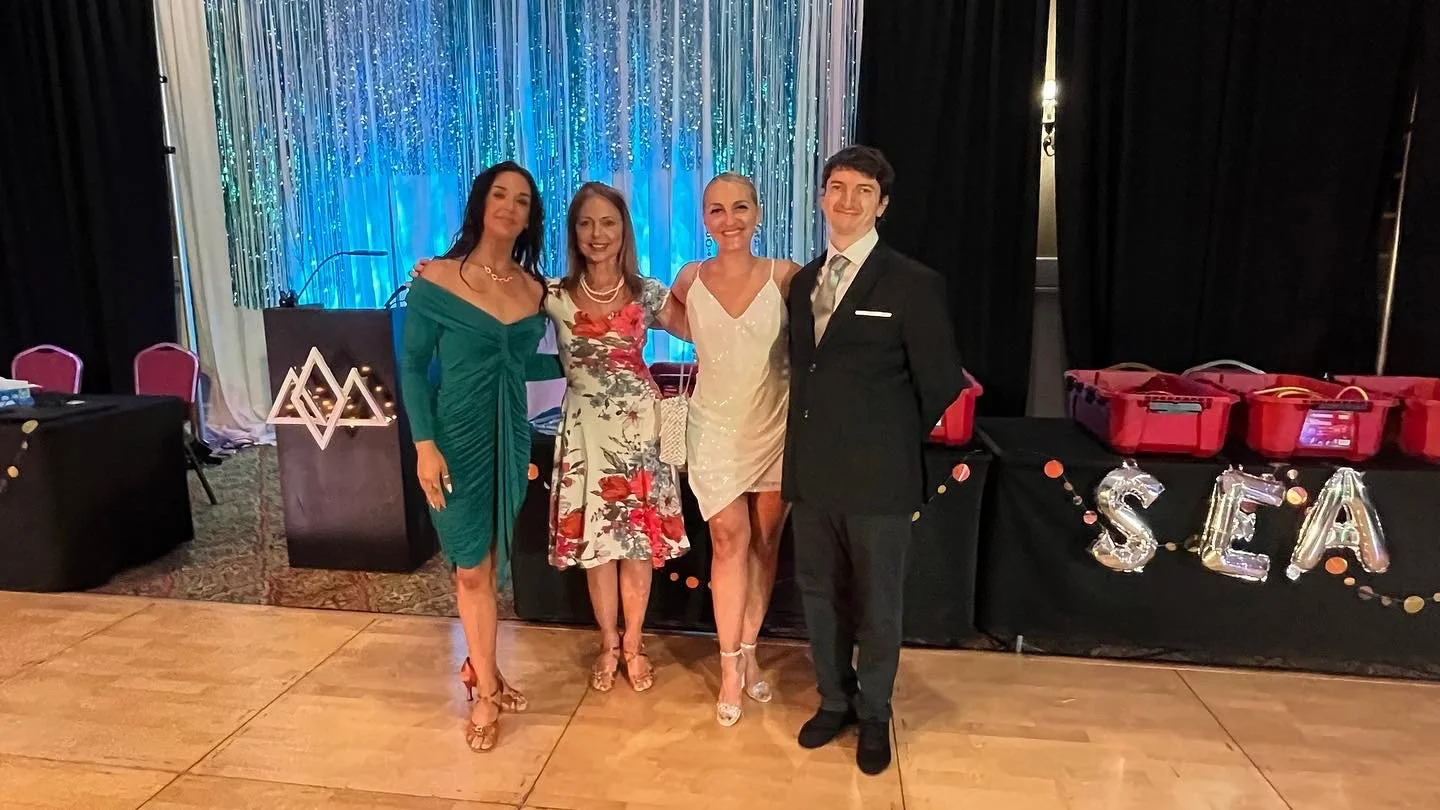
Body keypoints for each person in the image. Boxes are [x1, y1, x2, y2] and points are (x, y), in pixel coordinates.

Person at [783, 146, 966, 775]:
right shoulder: (804, 282)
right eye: (837, 187)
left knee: (877, 602)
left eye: (864, 190)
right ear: (821, 197)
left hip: (881, 476)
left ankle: (876, 710)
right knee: (818, 593)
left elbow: (940, 380)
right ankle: (833, 699)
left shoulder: (912, 282)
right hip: (812, 474)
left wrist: (885, 438)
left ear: (882, 204)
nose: (848, 201)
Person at [399, 161, 564, 753]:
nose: (510, 206)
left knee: (491, 566)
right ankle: (487, 693)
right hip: (454, 436)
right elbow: (414, 367)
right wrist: (424, 444)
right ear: (480, 203)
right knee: (470, 565)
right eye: (500, 194)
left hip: (509, 436)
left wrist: (588, 362)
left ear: (529, 217)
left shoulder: (534, 290)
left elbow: (521, 365)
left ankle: (482, 670)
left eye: (522, 200)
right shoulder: (437, 279)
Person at [546, 181, 689, 693]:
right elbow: (493, 292)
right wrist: (440, 271)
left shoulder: (646, 292)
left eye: (607, 222)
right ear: (574, 233)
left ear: (624, 229)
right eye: (586, 223)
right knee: (598, 548)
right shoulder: (554, 295)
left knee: (635, 548)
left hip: (640, 433)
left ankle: (634, 644)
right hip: (585, 432)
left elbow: (703, 330)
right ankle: (608, 643)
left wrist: (713, 278)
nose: (597, 233)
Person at [668, 173, 799, 726]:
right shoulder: (690, 277)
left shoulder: (786, 275)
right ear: (705, 220)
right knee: (728, 540)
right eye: (718, 210)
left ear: (759, 212)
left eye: (741, 207)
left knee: (764, 544)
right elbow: (677, 318)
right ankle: (727, 669)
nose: (730, 219)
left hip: (775, 426)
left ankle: (749, 655)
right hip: (714, 428)